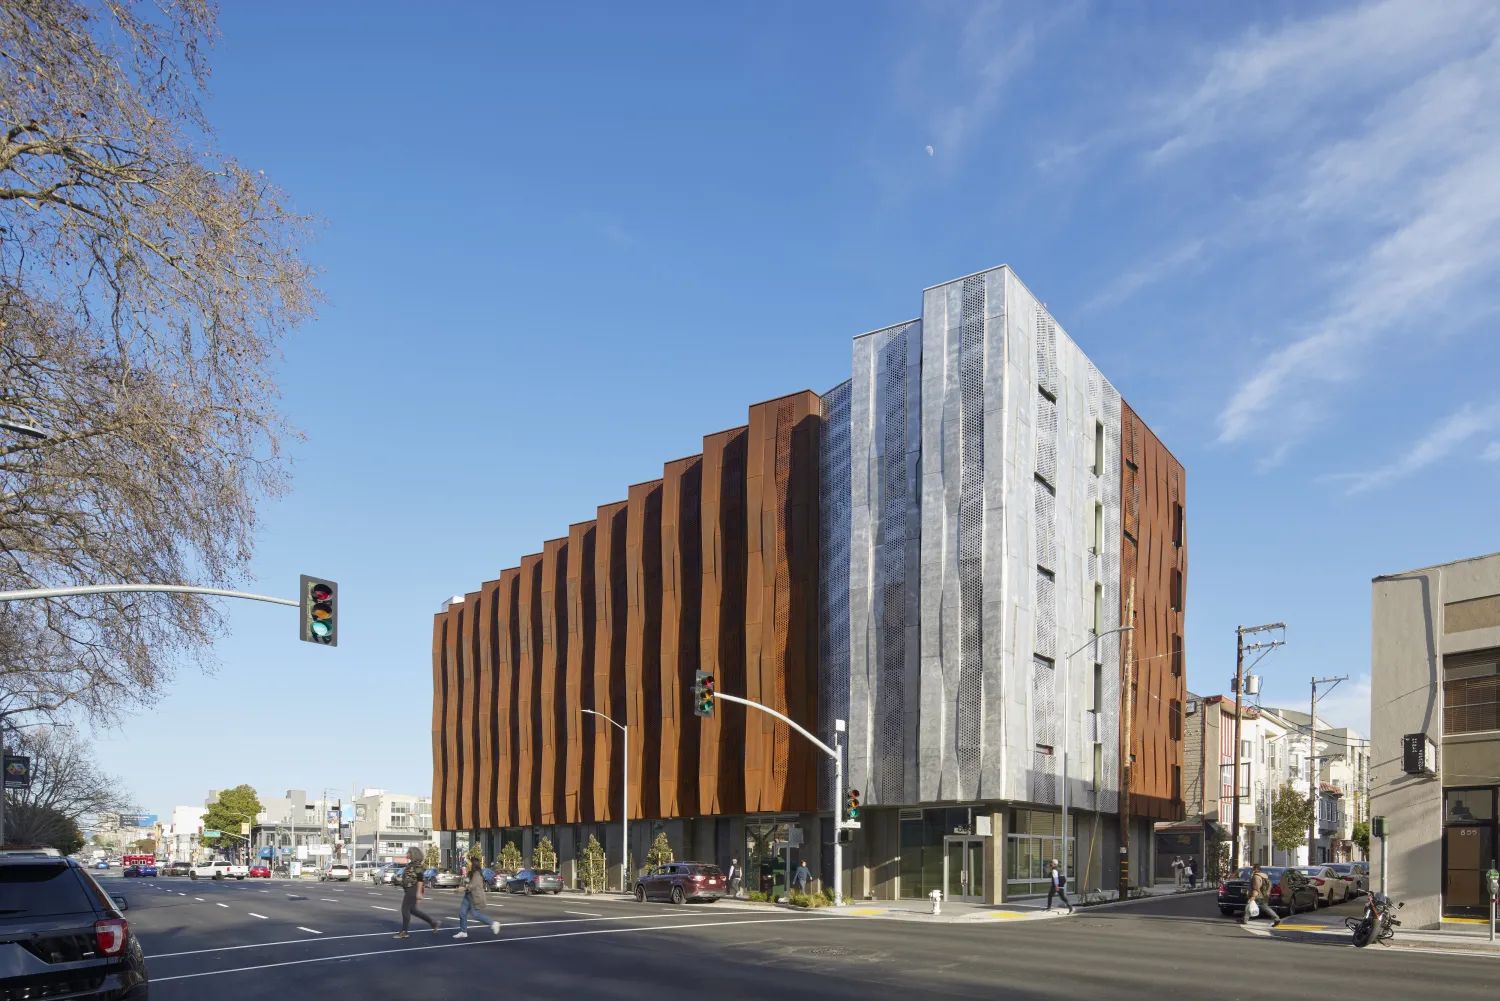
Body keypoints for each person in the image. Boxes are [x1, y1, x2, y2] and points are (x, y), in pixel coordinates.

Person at [394, 847, 439, 939]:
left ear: (413, 854)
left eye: (408, 853)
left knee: (404, 909)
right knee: (413, 910)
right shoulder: (411, 864)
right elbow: (410, 877)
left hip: (413, 889)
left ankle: (404, 931)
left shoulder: (417, 865)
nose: (407, 854)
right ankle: (433, 923)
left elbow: (420, 879)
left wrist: (419, 893)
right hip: (409, 889)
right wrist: (399, 880)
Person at [454, 859, 500, 939]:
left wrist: (461, 889)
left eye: (469, 862)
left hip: (473, 896)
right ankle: (463, 931)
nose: (468, 864)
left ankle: (493, 924)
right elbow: (468, 883)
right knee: (462, 912)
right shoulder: (471, 873)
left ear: (473, 864)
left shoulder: (477, 874)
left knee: (476, 915)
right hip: (467, 896)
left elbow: (472, 886)